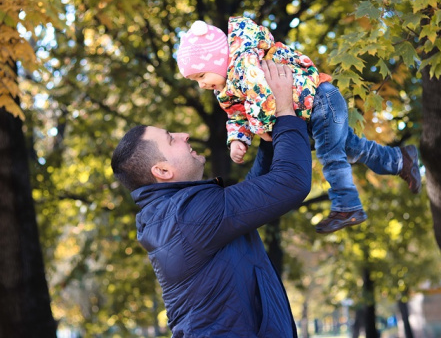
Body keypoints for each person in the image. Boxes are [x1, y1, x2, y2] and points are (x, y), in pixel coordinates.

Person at [111, 61, 310, 337]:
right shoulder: (187, 217)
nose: (184, 135)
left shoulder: (177, 215)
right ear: (163, 171)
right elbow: (291, 182)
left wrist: (267, 137)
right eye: (171, 139)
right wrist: (287, 111)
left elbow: (252, 198)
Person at [175, 16, 421, 233]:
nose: (201, 85)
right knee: (352, 148)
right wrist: (238, 138)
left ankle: (347, 205)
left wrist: (262, 131)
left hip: (321, 100)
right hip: (310, 112)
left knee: (331, 154)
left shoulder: (244, 66)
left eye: (201, 76)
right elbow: (237, 115)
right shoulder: (227, 89)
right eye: (195, 80)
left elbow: (263, 97)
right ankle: (400, 159)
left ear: (218, 61)